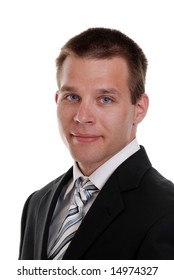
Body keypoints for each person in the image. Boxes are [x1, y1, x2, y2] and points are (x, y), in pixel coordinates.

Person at [19, 27, 174, 260]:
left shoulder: (166, 211)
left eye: (105, 99)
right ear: (57, 100)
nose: (82, 116)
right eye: (72, 97)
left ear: (139, 109)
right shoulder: (37, 203)